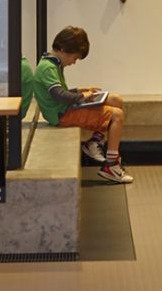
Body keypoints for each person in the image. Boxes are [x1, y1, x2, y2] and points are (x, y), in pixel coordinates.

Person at [32, 26, 133, 185]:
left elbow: (58, 92)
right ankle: (111, 166)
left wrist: (80, 90)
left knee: (116, 99)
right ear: (64, 49)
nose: (74, 62)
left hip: (64, 108)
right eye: (75, 58)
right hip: (62, 115)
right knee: (117, 115)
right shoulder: (47, 68)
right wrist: (82, 97)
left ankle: (95, 142)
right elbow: (59, 95)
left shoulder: (52, 63)